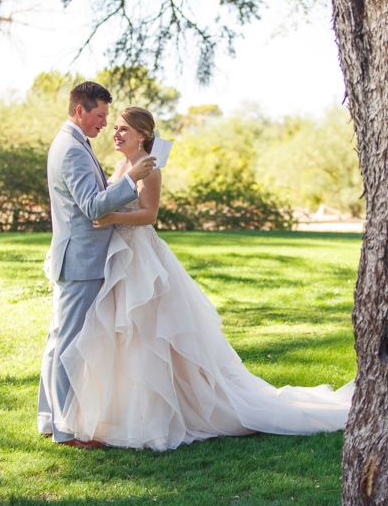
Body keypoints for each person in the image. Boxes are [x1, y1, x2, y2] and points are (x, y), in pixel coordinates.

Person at [56, 107, 353, 450]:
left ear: (141, 135)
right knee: (124, 336)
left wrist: (110, 220)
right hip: (119, 258)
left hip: (140, 259)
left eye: (124, 129)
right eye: (116, 128)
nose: (116, 133)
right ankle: (124, 412)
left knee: (148, 335)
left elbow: (149, 215)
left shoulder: (149, 169)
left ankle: (163, 413)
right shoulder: (122, 166)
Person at [38, 81, 157, 447]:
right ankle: (66, 430)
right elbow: (91, 206)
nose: (105, 124)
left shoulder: (74, 143)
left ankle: (50, 420)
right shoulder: (71, 149)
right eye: (101, 115)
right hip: (81, 259)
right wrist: (130, 181)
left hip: (78, 257)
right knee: (69, 344)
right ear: (80, 111)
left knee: (59, 340)